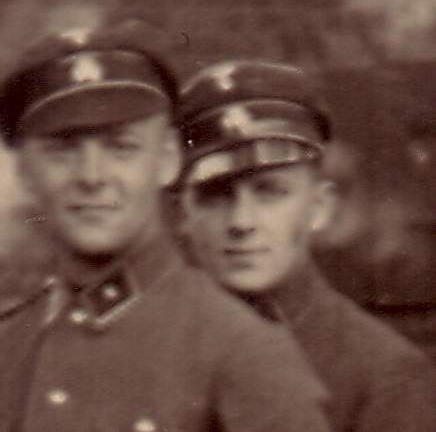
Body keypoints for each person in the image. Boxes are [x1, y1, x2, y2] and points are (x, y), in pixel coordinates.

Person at [0, 23, 331, 432]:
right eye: (62, 150)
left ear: (167, 160)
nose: (92, 176)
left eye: (122, 148)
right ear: (24, 173)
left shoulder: (243, 351)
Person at [174, 60, 436, 432]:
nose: (241, 222)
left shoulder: (384, 377)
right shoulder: (146, 347)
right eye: (216, 195)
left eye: (270, 193)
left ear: (318, 209)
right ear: (183, 211)